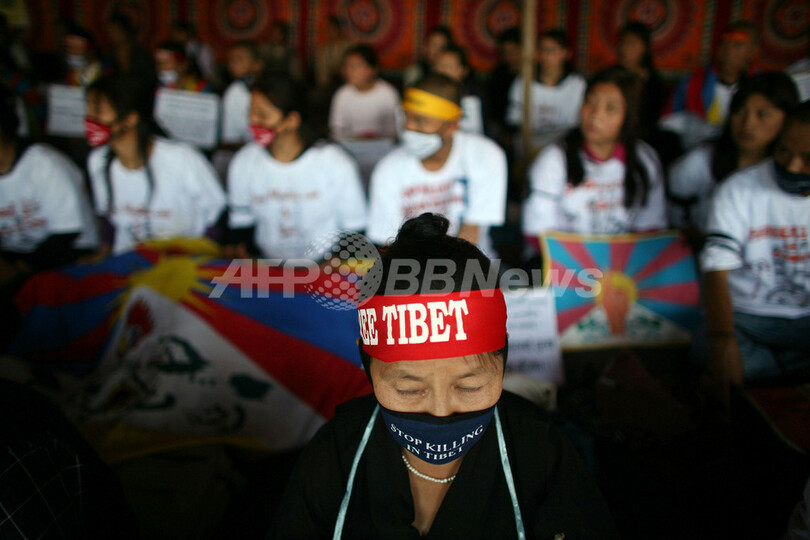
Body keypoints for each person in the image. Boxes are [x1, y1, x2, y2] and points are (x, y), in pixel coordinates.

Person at [270, 212, 617, 538]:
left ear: (503, 359)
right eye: (408, 389)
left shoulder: (541, 452)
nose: (440, 411)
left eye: (470, 386)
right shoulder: (336, 453)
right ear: (367, 364)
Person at [700, 99, 810, 388]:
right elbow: (716, 271)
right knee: (707, 350)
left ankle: (779, 369)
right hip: (748, 317)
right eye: (784, 150)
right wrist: (723, 340)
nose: (793, 166)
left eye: (807, 159)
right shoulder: (738, 189)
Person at [522, 66, 666, 251]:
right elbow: (536, 233)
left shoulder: (645, 160)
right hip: (561, 260)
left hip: (626, 263)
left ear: (629, 116)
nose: (595, 115)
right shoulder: (553, 160)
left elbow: (651, 229)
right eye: (590, 102)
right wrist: (588, 262)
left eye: (610, 108)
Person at [226, 74, 366, 259]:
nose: (253, 121)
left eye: (262, 115)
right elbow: (241, 225)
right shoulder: (244, 161)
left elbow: (355, 230)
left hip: (326, 267)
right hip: (267, 265)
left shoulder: (335, 163)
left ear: (292, 120)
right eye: (250, 112)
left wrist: (330, 265)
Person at [85, 74, 226, 256]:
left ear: (131, 118)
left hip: (182, 260)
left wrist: (199, 256)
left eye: (98, 110)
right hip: (127, 261)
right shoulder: (98, 162)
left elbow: (217, 212)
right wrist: (102, 257)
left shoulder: (182, 158)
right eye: (88, 108)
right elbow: (109, 219)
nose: (90, 117)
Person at [366, 73, 507, 249]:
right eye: (406, 117)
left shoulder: (485, 156)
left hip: (471, 261)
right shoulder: (388, 170)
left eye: (420, 120)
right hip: (409, 264)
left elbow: (472, 232)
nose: (409, 126)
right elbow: (387, 243)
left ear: (452, 126)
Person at [669, 72, 799, 235]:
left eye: (762, 114)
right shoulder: (698, 163)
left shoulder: (797, 169)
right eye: (740, 112)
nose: (748, 124)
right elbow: (675, 224)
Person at [0, 85, 97, 286]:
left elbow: (67, 233)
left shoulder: (44, 163)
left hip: (67, 256)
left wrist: (18, 270)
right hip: (18, 259)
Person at [661, 21, 759, 149]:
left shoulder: (760, 87)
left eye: (737, 45)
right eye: (723, 44)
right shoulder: (693, 83)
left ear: (752, 51)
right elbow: (667, 124)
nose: (728, 51)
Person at [506, 29, 586, 147]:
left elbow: (577, 123)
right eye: (542, 49)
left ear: (566, 53)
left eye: (552, 50)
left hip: (564, 144)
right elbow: (515, 120)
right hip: (530, 144)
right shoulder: (523, 81)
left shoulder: (577, 84)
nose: (545, 55)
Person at [329, 45, 399, 139]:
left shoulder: (388, 94)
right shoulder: (341, 95)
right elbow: (337, 130)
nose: (349, 71)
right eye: (347, 66)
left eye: (354, 67)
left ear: (371, 70)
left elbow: (394, 130)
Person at [434, 43, 487, 135]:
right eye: (439, 66)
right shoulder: (428, 93)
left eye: (448, 66)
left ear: (463, 70)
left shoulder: (473, 97)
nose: (442, 71)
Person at [486, 27, 522, 142]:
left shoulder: (534, 75)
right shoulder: (499, 75)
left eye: (514, 51)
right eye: (506, 52)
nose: (510, 56)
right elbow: (494, 107)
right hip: (502, 127)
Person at [105, 13, 156, 82]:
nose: (111, 35)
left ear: (125, 30)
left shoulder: (140, 53)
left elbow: (148, 77)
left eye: (115, 31)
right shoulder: (111, 53)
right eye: (109, 32)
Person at [171, 20, 220, 90]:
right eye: (174, 33)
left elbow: (209, 72)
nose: (175, 36)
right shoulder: (175, 49)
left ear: (187, 33)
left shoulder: (202, 49)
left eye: (179, 33)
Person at [315, 15, 352, 93]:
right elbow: (322, 73)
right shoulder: (324, 49)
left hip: (347, 82)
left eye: (332, 29)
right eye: (328, 29)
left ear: (339, 29)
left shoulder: (348, 46)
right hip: (330, 85)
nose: (330, 32)